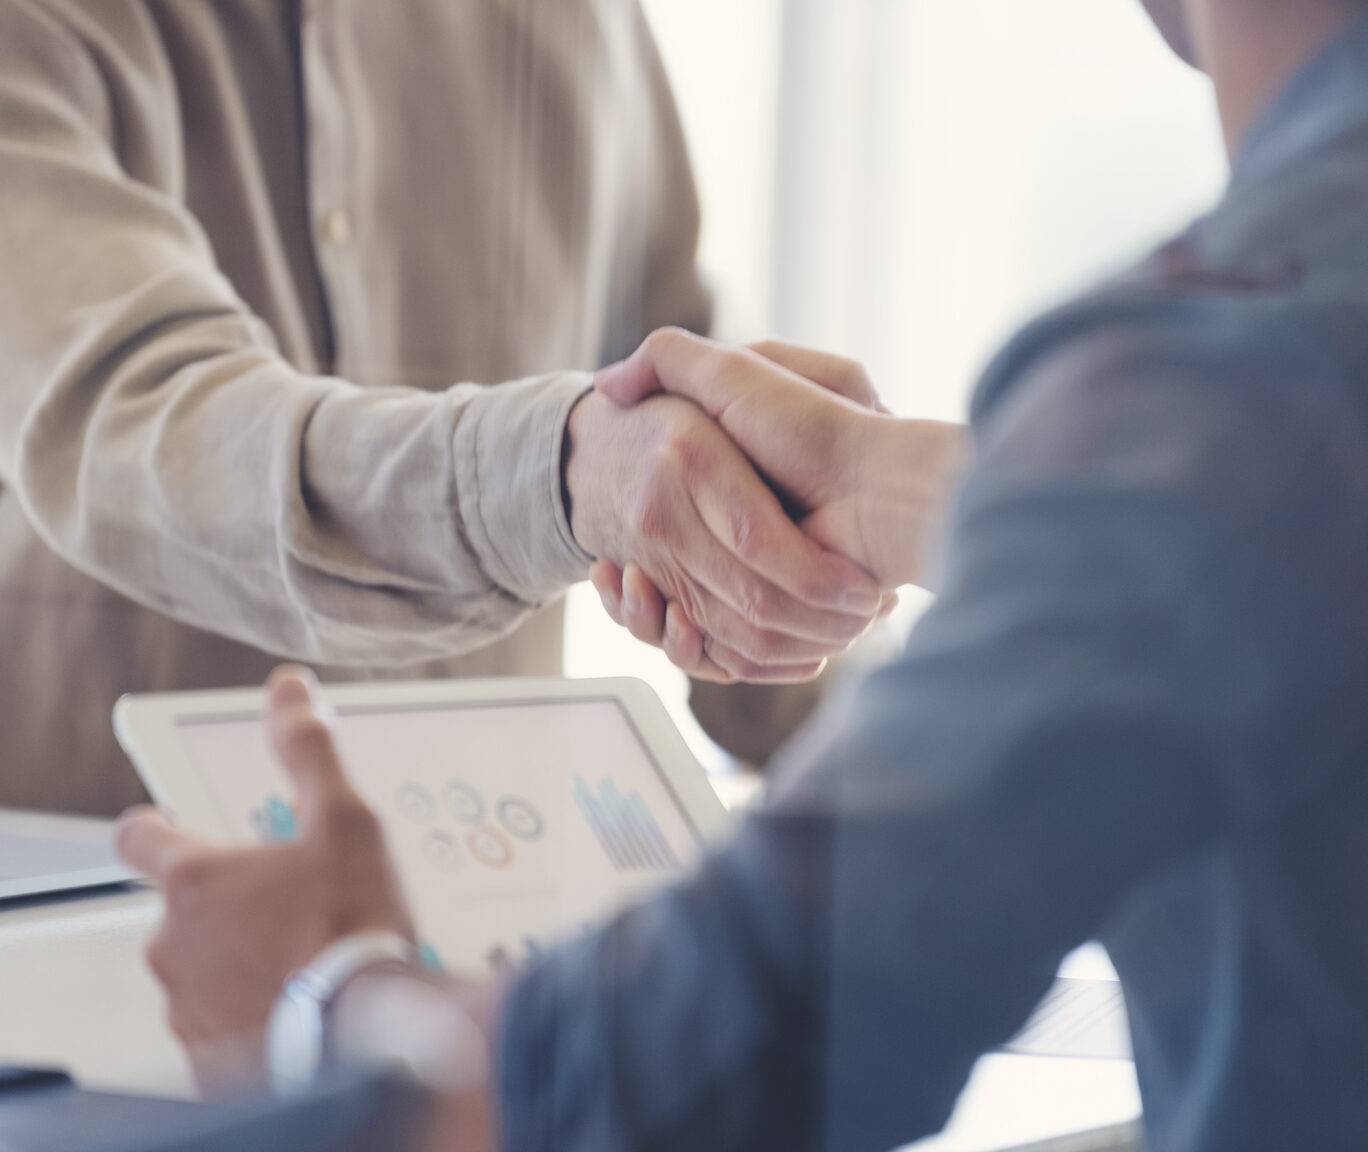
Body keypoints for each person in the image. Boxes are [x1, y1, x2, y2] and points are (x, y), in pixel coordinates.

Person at [116, 0, 1368, 1148]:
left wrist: (326, 994)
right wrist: (887, 491)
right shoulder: (1233, 398)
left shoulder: (1221, 378)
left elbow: (706, 1057)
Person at [0, 0, 903, 817]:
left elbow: (707, 433)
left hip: (501, 923)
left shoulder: (586, 23)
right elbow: (140, 415)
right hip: (83, 927)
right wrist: (564, 474)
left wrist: (934, 765)